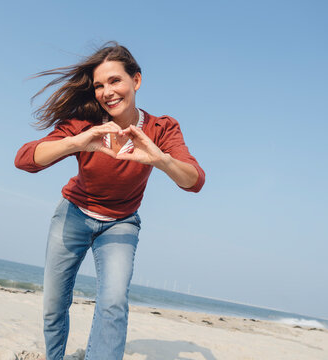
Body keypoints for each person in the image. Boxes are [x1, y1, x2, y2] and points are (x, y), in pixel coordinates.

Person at [14, 42, 205, 360]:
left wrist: (160, 159)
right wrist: (77, 142)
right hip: (73, 214)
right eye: (99, 85)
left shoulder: (162, 129)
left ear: (136, 81)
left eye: (115, 80)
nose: (107, 91)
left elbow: (194, 180)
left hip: (121, 223)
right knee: (53, 304)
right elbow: (25, 159)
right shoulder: (85, 123)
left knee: (113, 302)